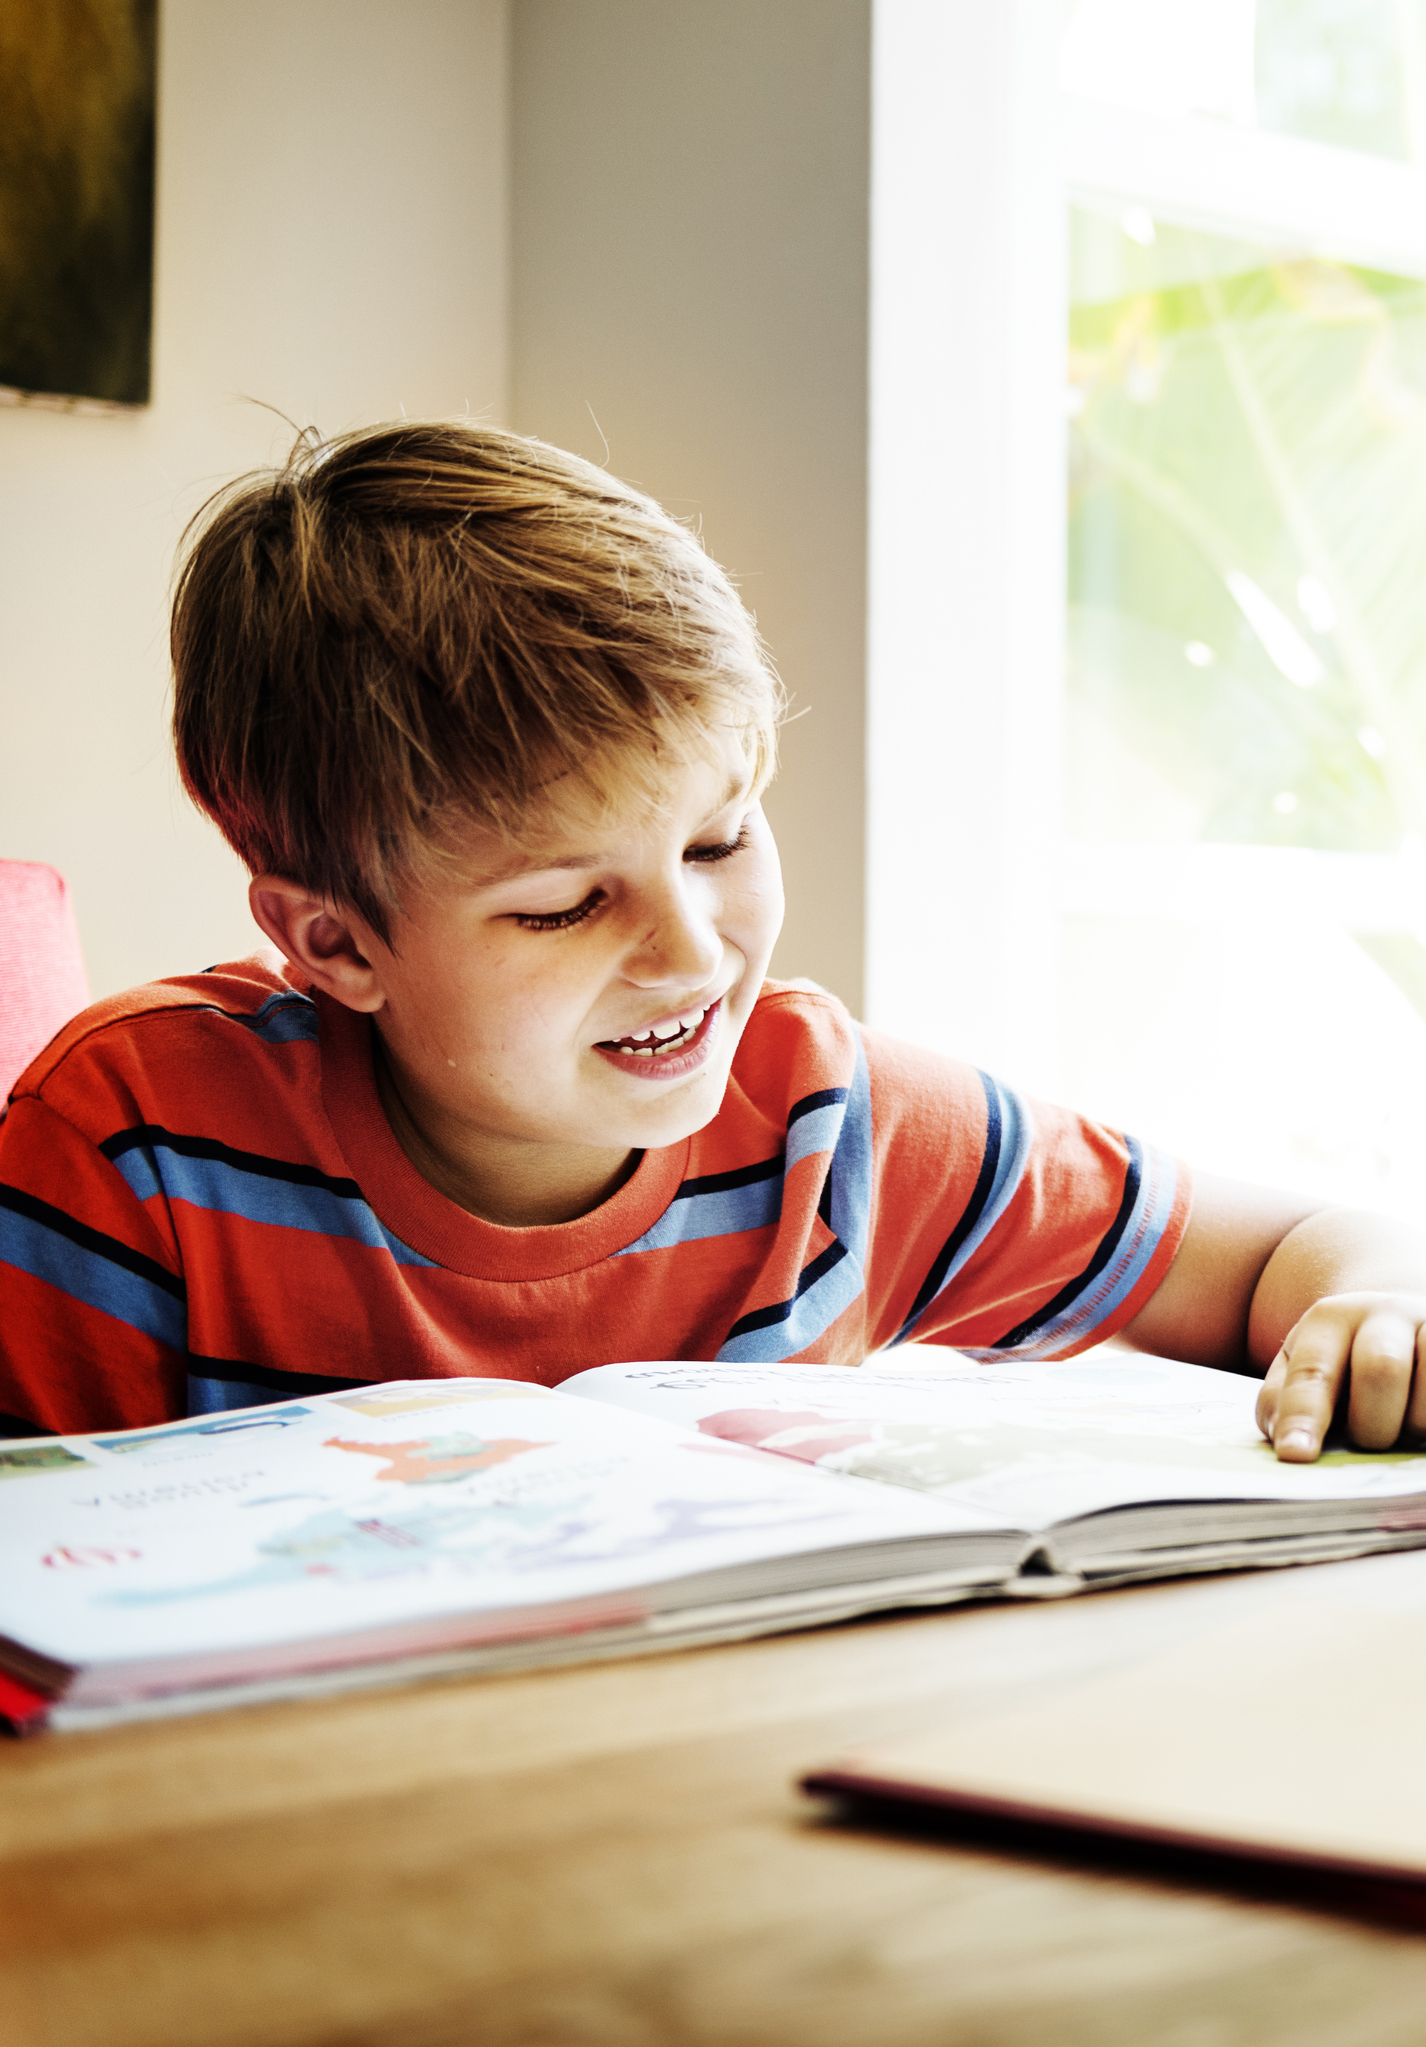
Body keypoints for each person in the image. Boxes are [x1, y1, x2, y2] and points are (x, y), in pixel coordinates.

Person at [2, 421, 1423, 1461]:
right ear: (335, 945)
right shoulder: (131, 1149)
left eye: (719, 841)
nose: (690, 955)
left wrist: (1374, 1306)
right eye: (564, 904)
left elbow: (1285, 1247)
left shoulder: (829, 1127)